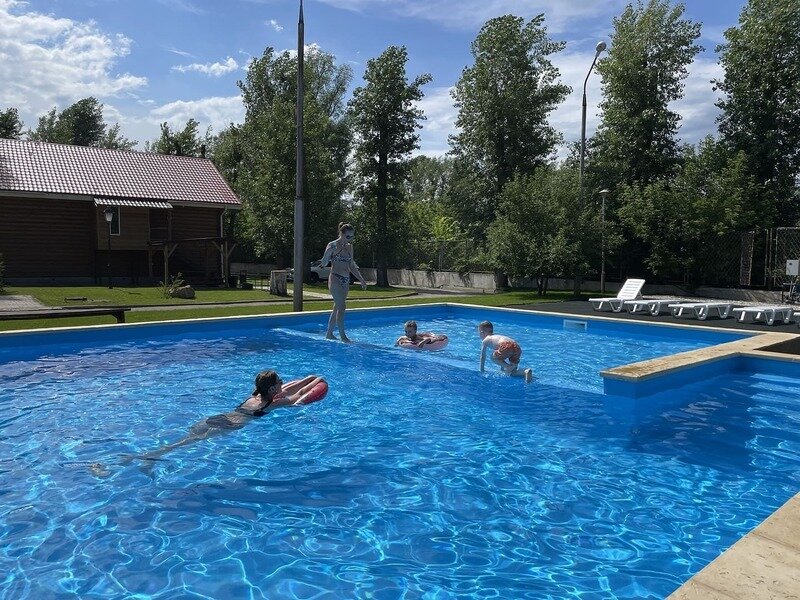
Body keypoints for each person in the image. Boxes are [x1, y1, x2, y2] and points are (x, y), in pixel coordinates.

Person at [129, 371, 326, 464]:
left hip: (217, 417)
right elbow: (297, 396)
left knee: (184, 439)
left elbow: (290, 388)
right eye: (280, 381)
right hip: (230, 425)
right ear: (273, 388)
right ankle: (150, 457)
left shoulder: (254, 396)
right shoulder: (272, 404)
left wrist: (308, 378)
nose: (283, 383)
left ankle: (141, 456)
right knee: (186, 443)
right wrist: (318, 380)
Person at [319, 222, 367, 342]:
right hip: (335, 278)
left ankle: (329, 333)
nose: (350, 238)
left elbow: (351, 266)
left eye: (352, 236)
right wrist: (328, 252)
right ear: (341, 233)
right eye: (348, 236)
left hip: (346, 280)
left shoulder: (350, 247)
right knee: (342, 306)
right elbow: (323, 263)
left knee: (337, 307)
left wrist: (361, 279)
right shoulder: (332, 245)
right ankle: (343, 336)